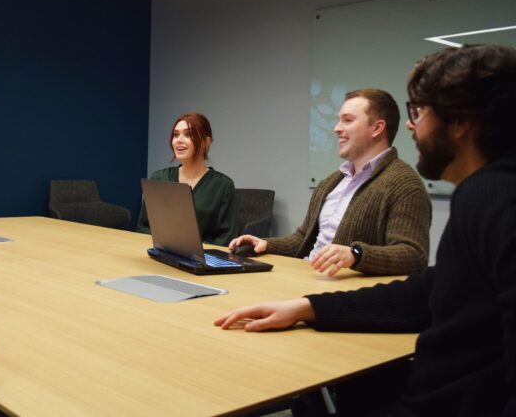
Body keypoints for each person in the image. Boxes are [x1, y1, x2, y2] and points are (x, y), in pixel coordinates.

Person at [215, 44, 516, 416]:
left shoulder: (493, 196)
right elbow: (428, 290)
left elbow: (414, 258)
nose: (411, 125)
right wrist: (307, 308)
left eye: (418, 112)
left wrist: (355, 256)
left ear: (461, 121)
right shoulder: (486, 194)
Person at [230, 88, 431, 276]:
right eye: (338, 120)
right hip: (308, 278)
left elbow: (413, 255)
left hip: (346, 297)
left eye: (348, 120)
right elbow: (302, 239)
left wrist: (356, 255)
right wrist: (266, 244)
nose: (336, 129)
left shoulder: (405, 185)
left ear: (377, 128)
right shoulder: (332, 181)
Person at [137, 112, 238, 246]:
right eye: (175, 134)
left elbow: (226, 238)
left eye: (188, 134)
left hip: (202, 262)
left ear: (206, 142)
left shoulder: (223, 185)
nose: (179, 139)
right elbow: (143, 227)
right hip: (159, 255)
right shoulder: (159, 178)